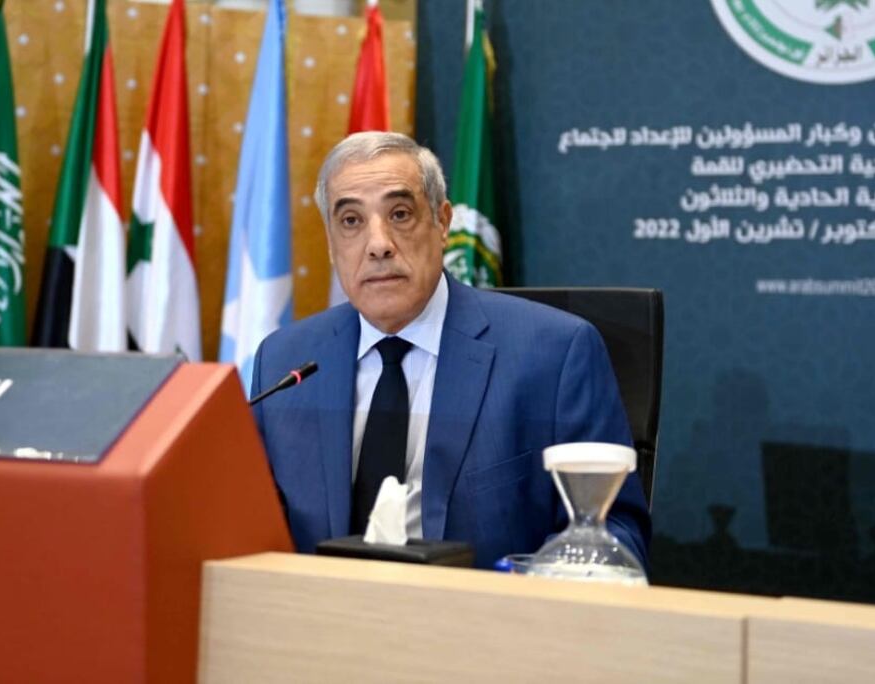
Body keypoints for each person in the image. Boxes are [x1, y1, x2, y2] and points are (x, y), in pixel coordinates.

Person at [250, 132, 650, 569]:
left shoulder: (553, 354)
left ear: (442, 223)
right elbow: (248, 525)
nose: (378, 244)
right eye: (351, 221)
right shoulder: (285, 362)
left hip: (484, 608)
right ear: (331, 243)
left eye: (400, 214)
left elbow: (614, 533)